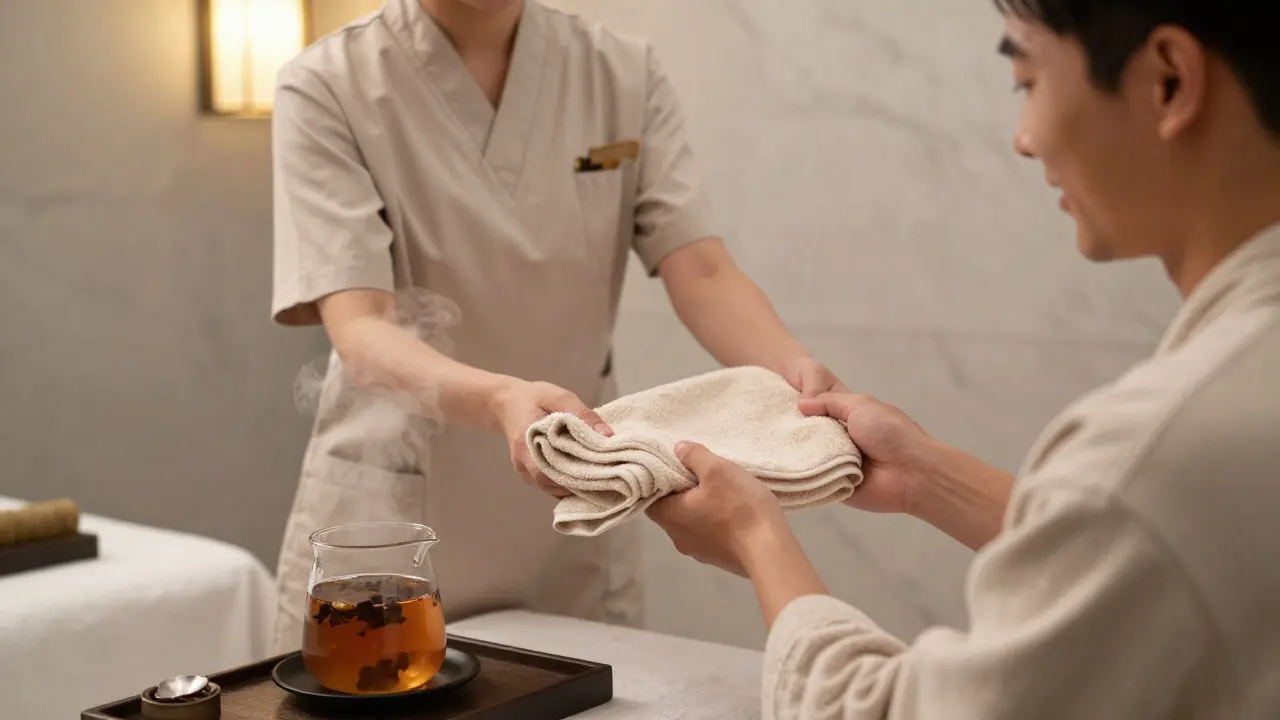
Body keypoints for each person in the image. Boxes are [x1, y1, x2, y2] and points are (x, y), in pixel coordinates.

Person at [648, 0, 1280, 717]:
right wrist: (926, 476)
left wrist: (756, 539)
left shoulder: (1158, 451)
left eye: (1026, 81)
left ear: (1168, 81)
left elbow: (891, 709)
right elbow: (1158, 554)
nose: (1023, 139)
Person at [266, 0, 845, 655]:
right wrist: (503, 401)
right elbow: (363, 330)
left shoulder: (621, 72)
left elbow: (702, 269)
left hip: (575, 500)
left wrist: (794, 372)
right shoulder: (326, 83)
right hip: (395, 518)